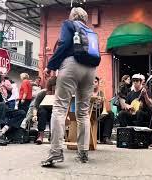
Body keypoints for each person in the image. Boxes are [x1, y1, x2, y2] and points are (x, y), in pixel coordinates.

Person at [41, 7, 99, 166]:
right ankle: (83, 153)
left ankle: (55, 152)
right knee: (83, 112)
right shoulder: (91, 32)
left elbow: (65, 44)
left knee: (59, 108)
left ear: (73, 16)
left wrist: (50, 65)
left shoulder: (69, 24)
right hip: (90, 70)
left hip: (72, 64)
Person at [21, 76, 57, 145]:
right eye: (52, 87)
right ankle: (41, 135)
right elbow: (35, 106)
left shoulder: (59, 94)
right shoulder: (42, 93)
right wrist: (34, 115)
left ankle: (52, 135)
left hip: (54, 112)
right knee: (43, 111)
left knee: (54, 114)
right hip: (42, 112)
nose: (53, 89)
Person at [92, 77, 114, 144]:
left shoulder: (101, 93)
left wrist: (102, 102)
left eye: (95, 82)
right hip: (91, 114)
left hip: (99, 114)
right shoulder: (87, 93)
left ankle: (106, 137)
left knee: (110, 113)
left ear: (98, 83)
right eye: (92, 82)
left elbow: (104, 107)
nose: (94, 83)